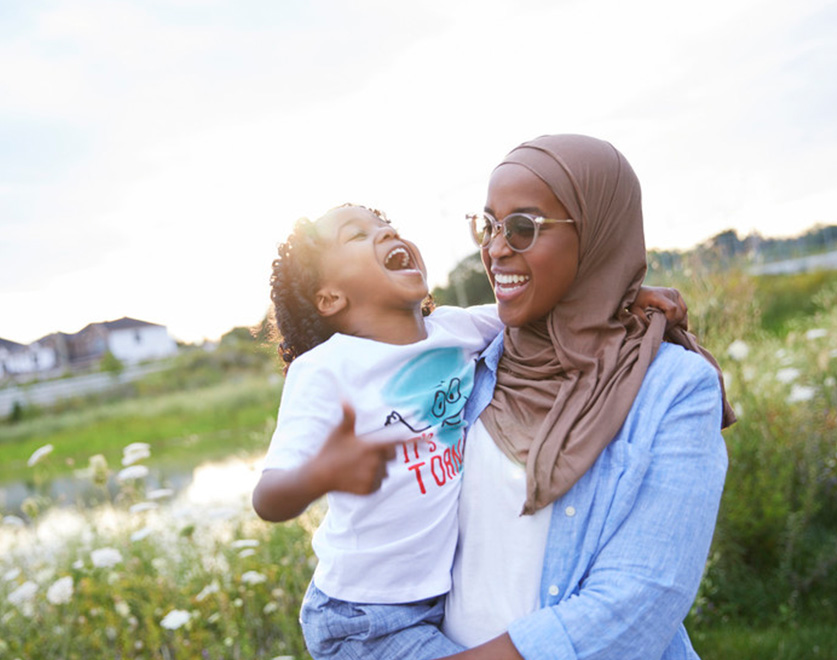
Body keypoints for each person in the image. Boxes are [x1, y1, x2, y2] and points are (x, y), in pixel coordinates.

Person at [252, 202, 685, 660]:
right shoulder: (327, 368)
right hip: (363, 616)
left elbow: (550, 310)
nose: (385, 234)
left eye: (388, 226)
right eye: (357, 236)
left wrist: (627, 296)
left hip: (439, 599)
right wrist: (321, 473)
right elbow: (269, 497)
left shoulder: (456, 328)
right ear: (329, 299)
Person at [439, 134, 736, 660]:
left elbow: (641, 598)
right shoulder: (465, 368)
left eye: (525, 227)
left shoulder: (674, 388)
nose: (496, 249)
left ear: (598, 236)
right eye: (489, 226)